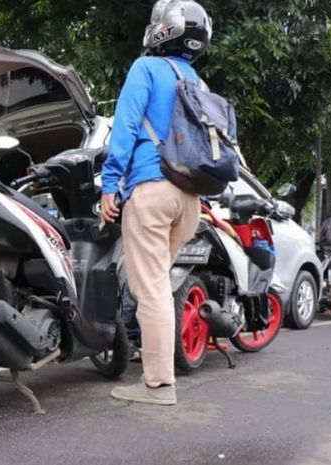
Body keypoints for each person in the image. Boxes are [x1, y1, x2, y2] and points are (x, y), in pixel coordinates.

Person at [100, 0, 212, 406]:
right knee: (158, 286)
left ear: (162, 30)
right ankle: (156, 375)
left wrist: (110, 185)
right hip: (190, 199)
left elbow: (125, 128)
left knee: (150, 291)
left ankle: (158, 384)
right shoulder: (199, 83)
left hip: (152, 190)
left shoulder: (146, 69)